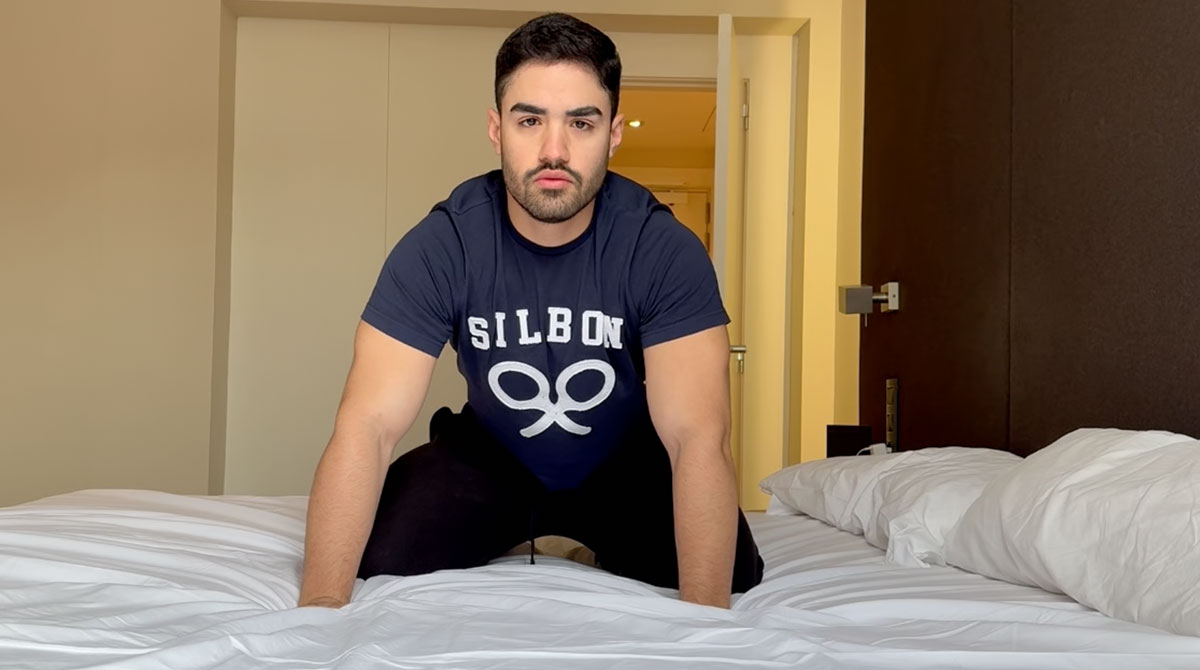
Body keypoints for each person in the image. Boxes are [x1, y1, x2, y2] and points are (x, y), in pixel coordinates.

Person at [297, 12, 763, 611]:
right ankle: (524, 531)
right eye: (530, 120)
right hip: (491, 457)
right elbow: (367, 424)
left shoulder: (662, 248)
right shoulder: (444, 243)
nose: (554, 151)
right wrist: (318, 611)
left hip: (622, 462)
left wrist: (707, 629)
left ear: (614, 133)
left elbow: (700, 436)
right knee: (377, 550)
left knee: (734, 570)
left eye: (581, 123)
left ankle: (576, 539)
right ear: (497, 129)